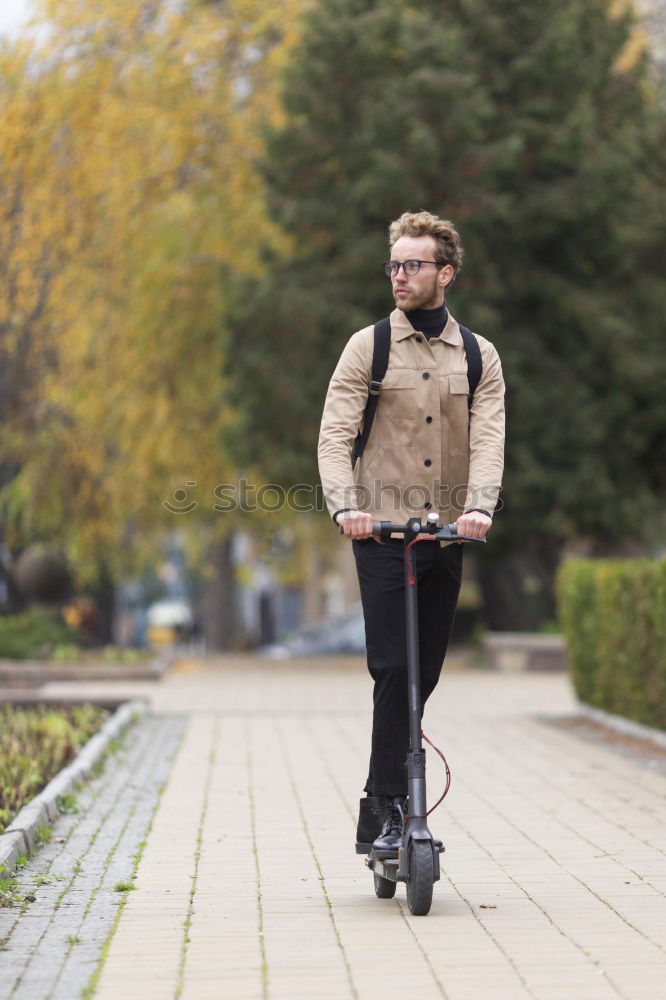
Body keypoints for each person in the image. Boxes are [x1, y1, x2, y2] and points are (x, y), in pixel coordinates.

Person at [317, 211, 505, 855]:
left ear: (444, 273)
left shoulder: (480, 356)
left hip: (447, 535)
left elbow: (488, 441)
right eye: (394, 264)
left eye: (413, 265)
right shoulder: (365, 348)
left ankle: (385, 805)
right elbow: (334, 438)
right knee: (394, 666)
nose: (399, 275)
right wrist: (347, 508)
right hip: (380, 535)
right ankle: (387, 807)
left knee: (423, 676)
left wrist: (479, 507)